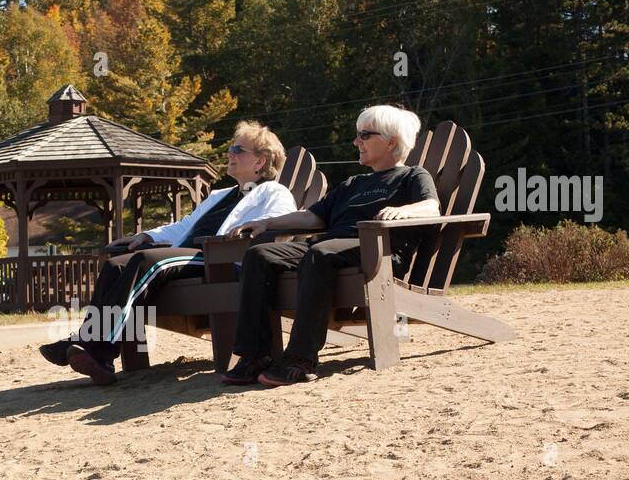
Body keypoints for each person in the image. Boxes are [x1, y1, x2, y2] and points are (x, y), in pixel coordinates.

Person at [39, 120, 296, 385]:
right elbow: (184, 226)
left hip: (218, 262)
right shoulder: (221, 195)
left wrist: (242, 234)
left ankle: (97, 346)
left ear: (260, 163)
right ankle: (97, 353)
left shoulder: (274, 193)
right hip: (189, 257)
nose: (230, 153)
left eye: (238, 149)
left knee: (146, 262)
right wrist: (148, 235)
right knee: (115, 264)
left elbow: (279, 224)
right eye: (231, 148)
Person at [221, 105, 441, 387]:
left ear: (391, 142)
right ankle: (255, 355)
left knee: (319, 253)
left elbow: (431, 207)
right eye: (357, 135)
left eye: (364, 135)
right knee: (259, 255)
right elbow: (313, 216)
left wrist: (406, 211)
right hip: (329, 249)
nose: (356, 142)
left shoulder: (412, 176)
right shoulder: (353, 183)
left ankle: (301, 359)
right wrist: (267, 223)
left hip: (378, 253)